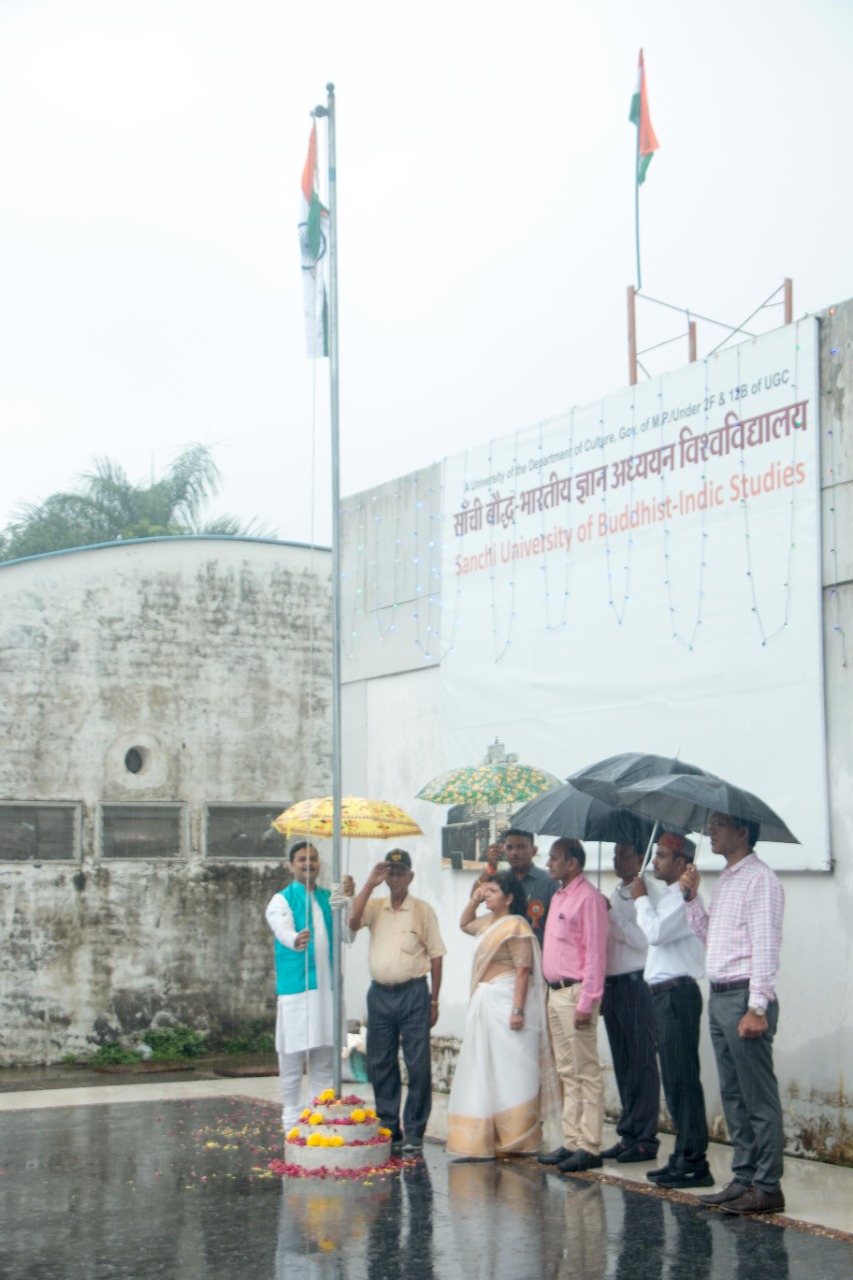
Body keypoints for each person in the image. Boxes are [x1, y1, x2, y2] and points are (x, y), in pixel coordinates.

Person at [681, 812, 785, 1215]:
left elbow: (765, 945)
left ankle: (768, 1186)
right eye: (711, 825)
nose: (710, 832)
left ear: (743, 832)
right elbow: (712, 938)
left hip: (745, 998)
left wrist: (757, 1006)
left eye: (719, 825)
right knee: (734, 1095)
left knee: (758, 1098)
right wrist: (692, 898)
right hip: (721, 994)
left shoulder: (760, 880)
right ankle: (744, 1178)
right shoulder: (727, 879)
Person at [447, 870, 562, 1158]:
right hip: (487, 1002)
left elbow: (523, 969)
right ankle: (489, 1135)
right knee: (487, 1069)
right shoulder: (488, 922)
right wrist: (474, 900)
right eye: (487, 890)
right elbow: (464, 924)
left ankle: (519, 1137)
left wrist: (517, 1010)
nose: (487, 895)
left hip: (508, 1001)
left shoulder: (516, 926)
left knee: (511, 1071)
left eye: (493, 891)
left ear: (509, 898)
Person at [349, 848, 446, 1153]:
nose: (395, 878)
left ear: (410, 876)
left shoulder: (422, 910)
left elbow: (436, 957)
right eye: (390, 872)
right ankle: (389, 1126)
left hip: (413, 993)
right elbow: (352, 921)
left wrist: (434, 1001)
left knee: (417, 1063)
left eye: (400, 872)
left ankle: (415, 1129)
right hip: (380, 994)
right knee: (380, 1062)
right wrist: (369, 884)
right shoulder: (375, 906)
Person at [631, 832, 712, 1189]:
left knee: (682, 1079)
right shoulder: (668, 896)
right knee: (674, 1078)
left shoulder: (682, 898)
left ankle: (694, 1161)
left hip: (677, 994)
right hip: (664, 995)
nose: (654, 862)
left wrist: (639, 900)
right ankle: (682, 1155)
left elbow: (655, 933)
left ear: (681, 862)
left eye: (662, 856)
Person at [265, 841, 354, 1128]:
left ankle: (320, 1120)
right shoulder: (282, 899)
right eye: (302, 859)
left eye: (313, 859)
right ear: (291, 865)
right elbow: (282, 928)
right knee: (292, 1062)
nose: (308, 864)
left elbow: (347, 933)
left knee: (324, 1063)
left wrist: (349, 897)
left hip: (327, 994)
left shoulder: (330, 895)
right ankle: (291, 1122)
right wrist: (295, 938)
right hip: (298, 993)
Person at [538, 838, 608, 1173]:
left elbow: (595, 954)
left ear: (573, 864)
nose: (548, 863)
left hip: (576, 993)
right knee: (566, 1069)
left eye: (554, 858)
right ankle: (571, 1140)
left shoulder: (589, 898)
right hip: (555, 993)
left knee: (586, 1070)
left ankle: (590, 1144)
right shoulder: (558, 896)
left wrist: (588, 999)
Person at [601, 842, 661, 1165]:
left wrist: (611, 915)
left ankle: (645, 1138)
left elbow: (642, 939)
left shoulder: (646, 892)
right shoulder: (617, 891)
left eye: (623, 854)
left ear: (640, 858)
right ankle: (629, 1132)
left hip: (636, 984)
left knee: (642, 1063)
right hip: (613, 985)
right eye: (615, 854)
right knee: (623, 1062)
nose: (617, 860)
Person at [470, 828, 557, 944]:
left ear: (534, 850)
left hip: (537, 950)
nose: (514, 853)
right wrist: (491, 867)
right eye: (509, 848)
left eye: (520, 847)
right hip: (504, 950)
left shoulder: (548, 881)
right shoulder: (502, 879)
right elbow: (475, 896)